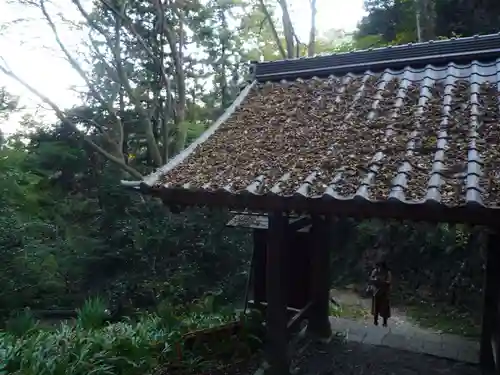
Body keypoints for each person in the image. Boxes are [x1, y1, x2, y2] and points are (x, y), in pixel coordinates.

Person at [369, 261, 392, 327]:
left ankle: (385, 322)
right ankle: (375, 321)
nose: (379, 268)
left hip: (385, 292)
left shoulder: (387, 272)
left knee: (385, 308)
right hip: (376, 291)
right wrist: (375, 281)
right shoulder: (375, 271)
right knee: (376, 307)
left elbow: (389, 282)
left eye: (380, 267)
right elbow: (371, 279)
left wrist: (382, 282)